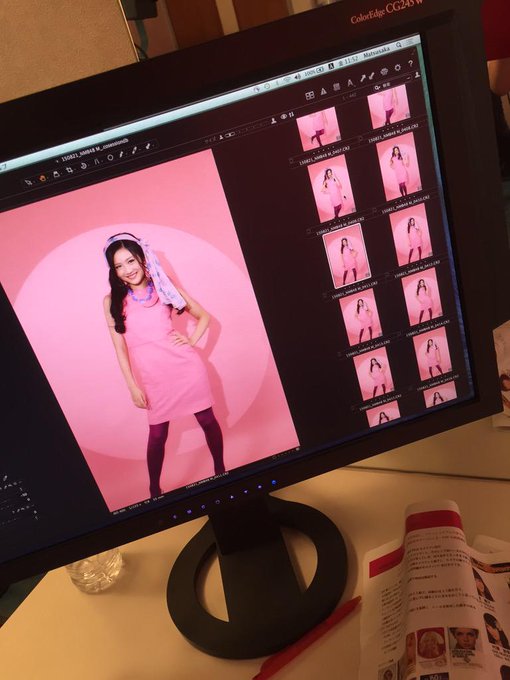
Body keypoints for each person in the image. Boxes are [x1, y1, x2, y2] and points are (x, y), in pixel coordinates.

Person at [103, 232, 225, 498]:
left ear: (142, 258)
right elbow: (120, 348)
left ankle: (221, 470)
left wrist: (191, 340)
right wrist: (132, 387)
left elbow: (203, 316)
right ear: (114, 271)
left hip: (186, 369)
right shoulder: (111, 301)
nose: (127, 269)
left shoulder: (163, 286)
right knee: (157, 435)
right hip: (154, 379)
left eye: (131, 261)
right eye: (119, 266)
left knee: (207, 420)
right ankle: (154, 490)